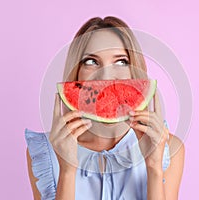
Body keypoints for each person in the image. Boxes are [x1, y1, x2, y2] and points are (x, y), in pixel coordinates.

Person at [25, 16, 185, 200]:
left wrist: (154, 167)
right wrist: (67, 170)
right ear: (76, 72)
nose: (106, 75)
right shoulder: (45, 152)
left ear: (135, 70)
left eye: (121, 61)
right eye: (91, 61)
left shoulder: (168, 148)